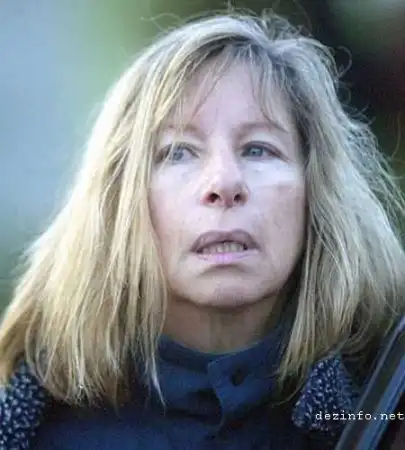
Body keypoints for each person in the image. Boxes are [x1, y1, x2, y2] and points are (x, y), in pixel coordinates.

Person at [0, 9, 404, 450]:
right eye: (178, 152)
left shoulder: (380, 410)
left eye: (258, 149)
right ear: (120, 200)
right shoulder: (32, 431)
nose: (224, 183)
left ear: (316, 192)